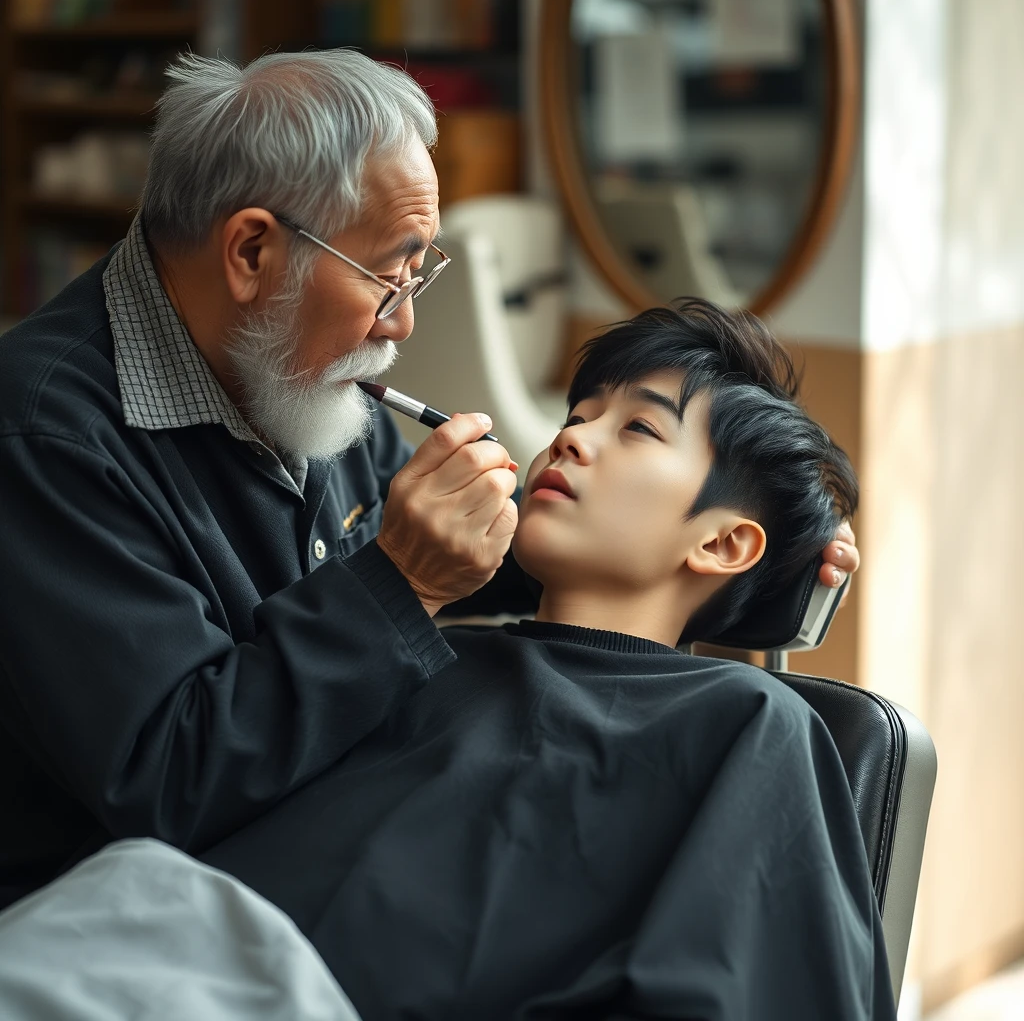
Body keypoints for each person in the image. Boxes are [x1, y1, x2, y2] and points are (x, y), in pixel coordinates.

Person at [0, 50, 857, 909]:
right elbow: (164, 782)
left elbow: (492, 548)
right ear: (253, 251)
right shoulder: (45, 438)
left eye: (420, 273)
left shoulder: (294, 366)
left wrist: (770, 571)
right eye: (387, 272)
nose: (403, 320)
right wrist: (398, 583)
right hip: (119, 922)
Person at [201, 300, 894, 1021]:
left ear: (722, 545)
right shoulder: (412, 649)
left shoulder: (750, 724)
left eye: (639, 428)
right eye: (578, 415)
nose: (572, 440)